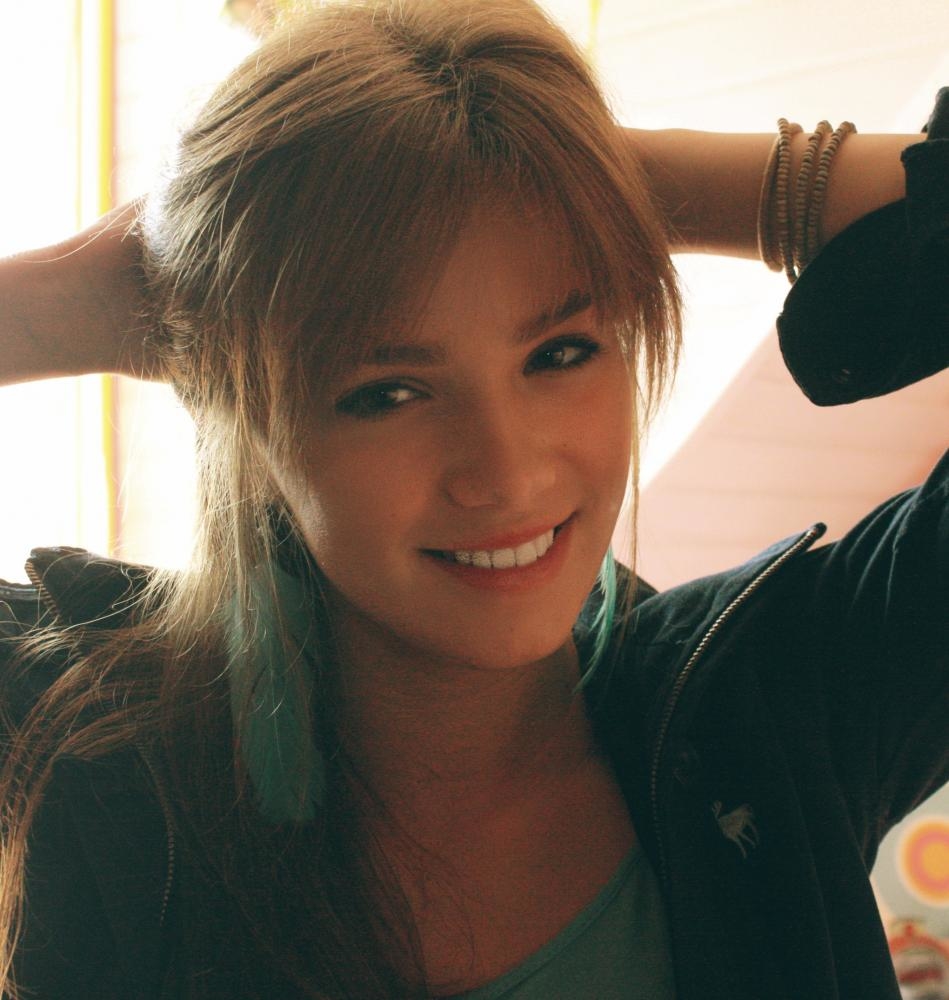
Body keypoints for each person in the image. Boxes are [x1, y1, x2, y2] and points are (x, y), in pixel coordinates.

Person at [0, 1, 945, 997]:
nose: (506, 473)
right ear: (245, 414)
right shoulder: (82, 738)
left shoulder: (777, 703)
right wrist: (52, 309)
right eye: (387, 393)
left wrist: (598, 177)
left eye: (559, 353)